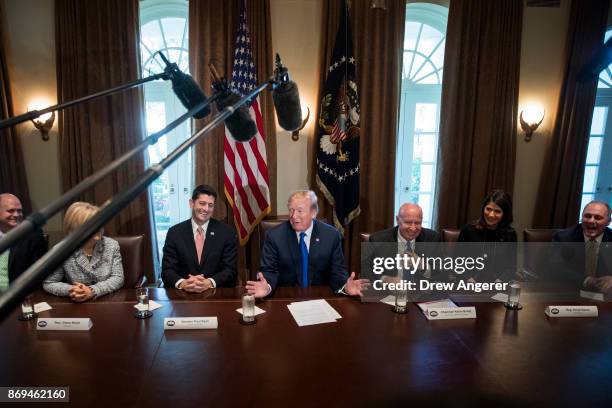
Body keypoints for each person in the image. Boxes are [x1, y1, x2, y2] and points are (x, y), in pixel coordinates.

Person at [246, 190, 368, 298]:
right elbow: (269, 271)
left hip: (321, 297)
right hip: (285, 297)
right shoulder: (274, 236)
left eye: (300, 211)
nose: (293, 216)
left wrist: (345, 286)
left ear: (313, 212)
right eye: (291, 210)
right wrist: (266, 287)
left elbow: (337, 272)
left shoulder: (331, 235)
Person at [162, 185, 237, 292]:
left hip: (215, 295)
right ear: (191, 203)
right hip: (183, 296)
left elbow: (230, 270)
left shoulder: (226, 232)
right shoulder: (174, 233)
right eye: (202, 203)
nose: (206, 209)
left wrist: (209, 282)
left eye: (210, 205)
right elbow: (167, 270)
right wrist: (183, 283)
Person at [43, 202, 123, 301]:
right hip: (76, 306)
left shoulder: (112, 245)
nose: (98, 230)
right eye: (91, 226)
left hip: (107, 302)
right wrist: (72, 290)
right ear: (73, 230)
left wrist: (92, 291)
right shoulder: (61, 250)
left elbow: (118, 278)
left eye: (100, 224)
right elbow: (49, 283)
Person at [456, 189, 517, 282]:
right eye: (488, 209)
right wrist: (468, 278)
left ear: (504, 214)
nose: (491, 215)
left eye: (497, 211)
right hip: (468, 285)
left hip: (496, 288)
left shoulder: (510, 235)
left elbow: (511, 267)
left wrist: (501, 280)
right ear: (483, 208)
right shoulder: (468, 230)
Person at [368, 203, 440, 281]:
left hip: (421, 291)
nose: (413, 228)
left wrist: (423, 266)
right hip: (388, 292)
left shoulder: (432, 238)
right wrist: (384, 279)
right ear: (398, 220)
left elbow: (442, 271)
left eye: (418, 223)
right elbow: (367, 270)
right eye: (408, 222)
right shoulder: (378, 240)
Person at [551, 200, 612, 293]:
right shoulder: (564, 237)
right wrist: (588, 280)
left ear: (608, 222)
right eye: (587, 216)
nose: (591, 221)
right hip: (570, 291)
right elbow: (554, 268)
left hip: (605, 294)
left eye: (598, 217)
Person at [0, 193, 47, 291]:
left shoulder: (33, 234)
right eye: (11, 211)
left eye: (19, 211)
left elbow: (39, 273)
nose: (16, 215)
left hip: (16, 296)